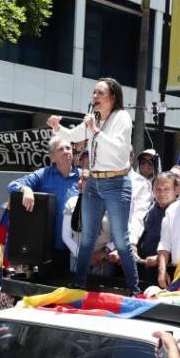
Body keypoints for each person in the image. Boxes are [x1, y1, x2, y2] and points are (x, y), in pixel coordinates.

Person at [45, 78, 143, 291]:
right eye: (94, 93)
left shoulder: (122, 117)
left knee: (121, 238)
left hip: (116, 182)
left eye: (100, 93)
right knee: (87, 237)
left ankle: (135, 289)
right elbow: (71, 136)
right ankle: (79, 283)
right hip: (94, 182)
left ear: (113, 97)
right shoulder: (95, 118)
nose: (95, 97)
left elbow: (118, 148)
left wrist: (95, 130)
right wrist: (56, 127)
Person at [6, 135, 81, 272]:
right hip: (47, 248)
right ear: (52, 157)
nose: (66, 151)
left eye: (68, 148)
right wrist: (26, 189)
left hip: (75, 248)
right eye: (60, 149)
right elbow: (13, 184)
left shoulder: (83, 177)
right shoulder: (43, 175)